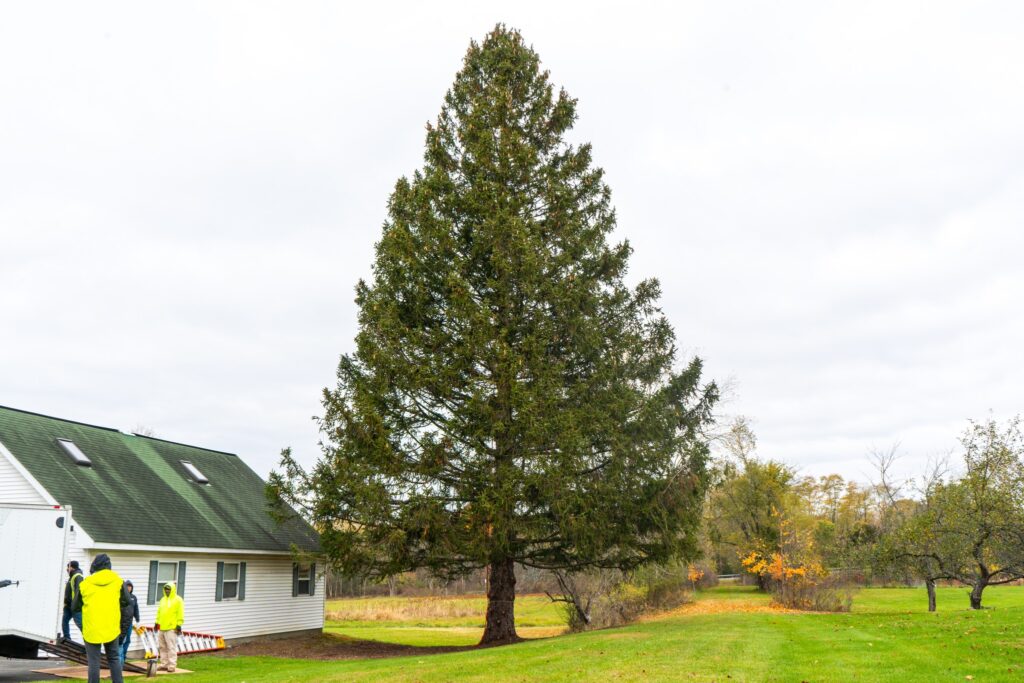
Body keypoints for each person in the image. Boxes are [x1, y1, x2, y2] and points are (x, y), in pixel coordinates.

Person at [72, 554, 131, 683]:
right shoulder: (118, 581)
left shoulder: (85, 583)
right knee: (114, 659)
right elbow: (127, 601)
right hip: (111, 627)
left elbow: (75, 607)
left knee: (94, 662)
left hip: (92, 628)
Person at [155, 581, 184, 672]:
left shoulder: (178, 599)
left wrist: (179, 624)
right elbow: (159, 612)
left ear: (172, 590)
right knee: (162, 647)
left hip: (172, 627)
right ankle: (164, 664)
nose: (167, 591)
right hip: (162, 627)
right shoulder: (162, 599)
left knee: (171, 647)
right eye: (166, 589)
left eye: (169, 589)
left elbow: (180, 612)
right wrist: (156, 622)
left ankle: (171, 666)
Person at [118, 580, 140, 664]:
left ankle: (124, 655)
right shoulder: (121, 597)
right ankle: (121, 658)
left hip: (129, 623)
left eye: (130, 586)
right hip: (122, 623)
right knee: (121, 639)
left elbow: (136, 609)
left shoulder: (134, 597)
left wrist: (137, 620)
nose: (129, 588)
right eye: (127, 586)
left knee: (128, 640)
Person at [61, 561, 84, 641]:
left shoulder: (78, 576)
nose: (67, 569)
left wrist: (75, 604)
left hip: (75, 606)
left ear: (72, 567)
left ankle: (89, 641)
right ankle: (67, 639)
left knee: (81, 624)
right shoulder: (72, 577)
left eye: (68, 567)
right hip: (68, 605)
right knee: (64, 621)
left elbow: (79, 591)